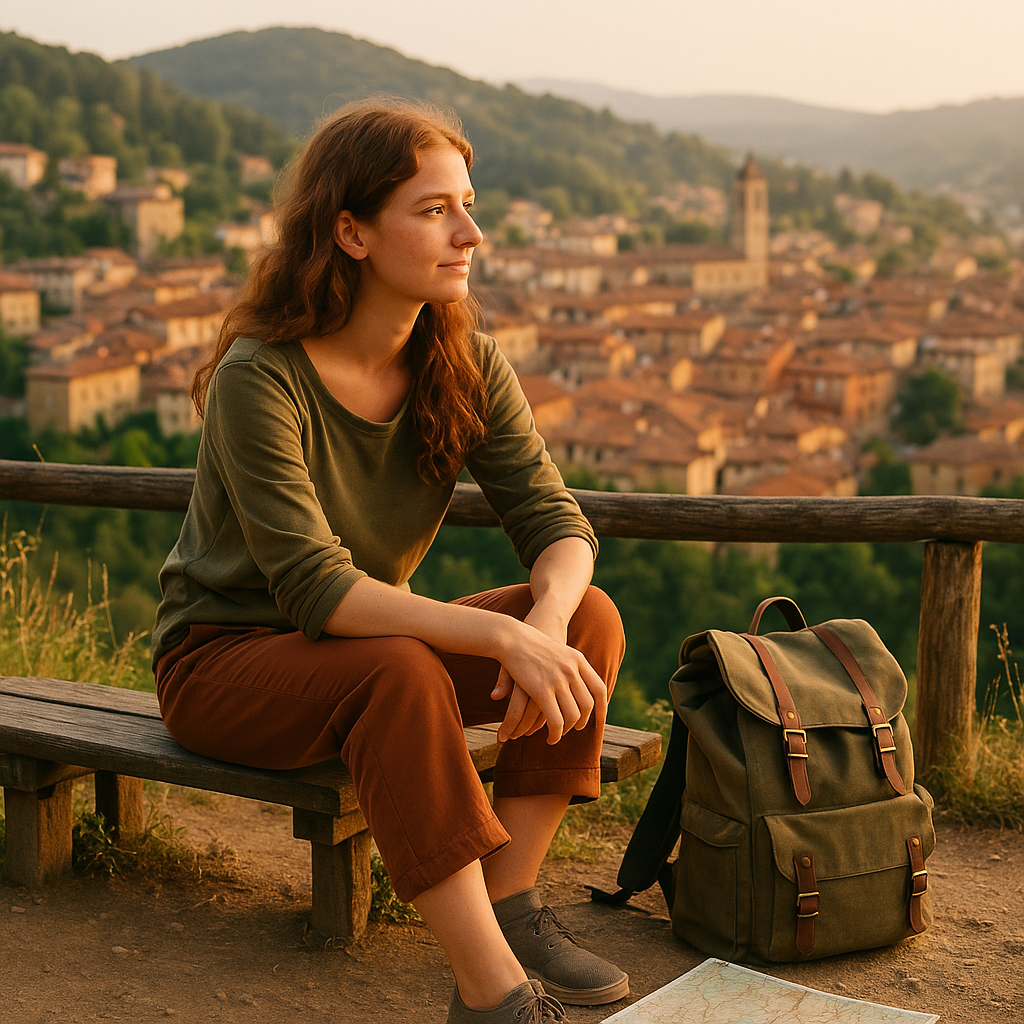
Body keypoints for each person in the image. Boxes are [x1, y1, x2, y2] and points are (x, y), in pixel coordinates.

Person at [151, 100, 628, 1024]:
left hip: (360, 652)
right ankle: (494, 998)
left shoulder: (465, 362)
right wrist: (500, 634)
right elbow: (314, 588)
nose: (471, 233)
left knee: (587, 616)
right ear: (351, 232)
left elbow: (558, 523)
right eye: (434, 210)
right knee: (405, 671)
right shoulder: (263, 376)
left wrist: (544, 620)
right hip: (223, 662)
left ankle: (508, 904)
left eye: (469, 204)